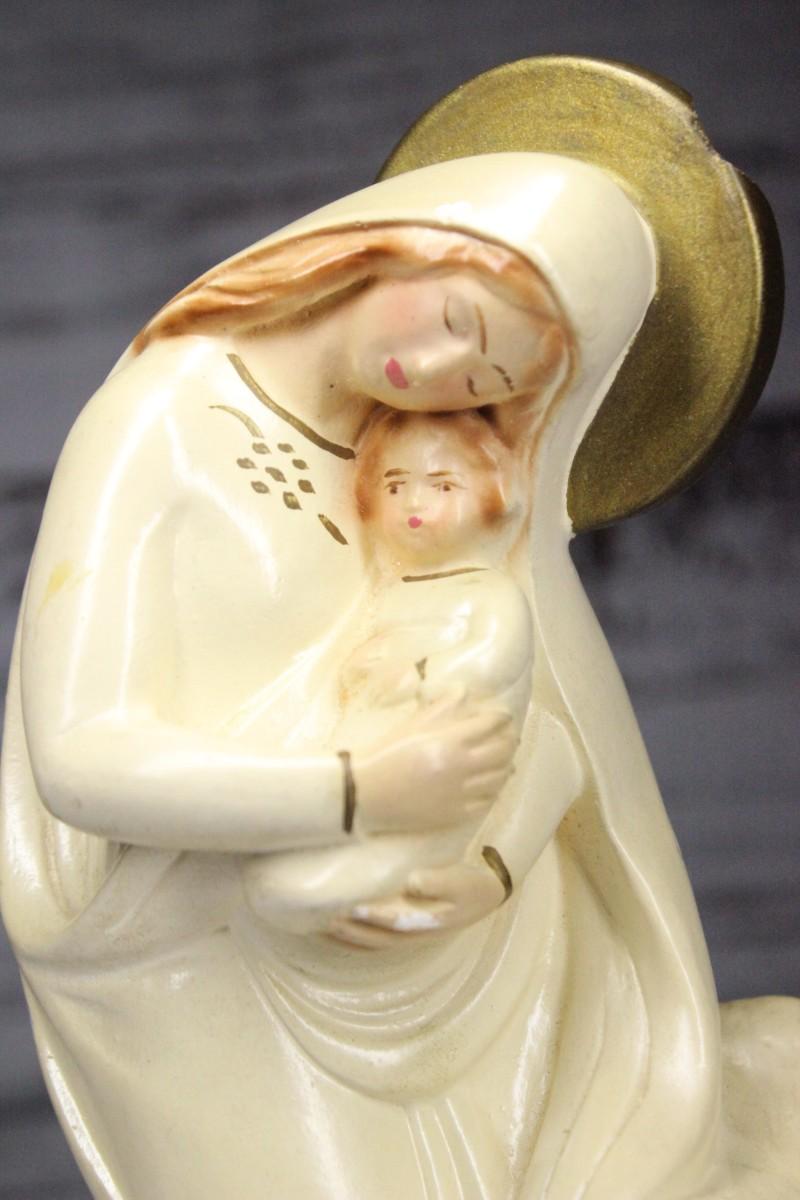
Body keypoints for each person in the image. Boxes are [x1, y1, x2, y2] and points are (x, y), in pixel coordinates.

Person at [2, 153, 790, 1199]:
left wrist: (490, 871)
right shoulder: (162, 421)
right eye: (457, 320)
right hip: (224, 970)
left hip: (466, 963)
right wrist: (357, 790)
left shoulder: (427, 457)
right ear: (394, 244)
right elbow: (80, 759)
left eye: (486, 383)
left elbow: (545, 729)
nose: (433, 370)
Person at [243, 406, 534, 930]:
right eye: (396, 487)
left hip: (439, 781)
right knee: (280, 879)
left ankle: (383, 869)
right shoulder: (387, 591)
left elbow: (493, 659)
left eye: (442, 486)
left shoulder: (489, 592)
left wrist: (416, 673)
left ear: (492, 496)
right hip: (364, 770)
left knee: (296, 890)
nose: (414, 504)